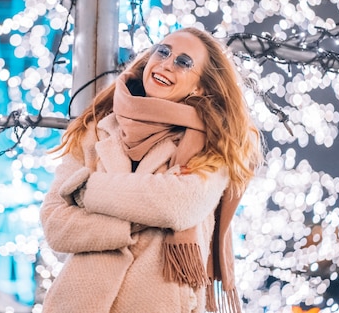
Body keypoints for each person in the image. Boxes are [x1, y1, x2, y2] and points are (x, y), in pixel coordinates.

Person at [39, 27, 263, 313]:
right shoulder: (95, 129)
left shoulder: (213, 146)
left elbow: (176, 206)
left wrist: (85, 189)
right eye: (164, 51)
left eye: (183, 62)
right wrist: (140, 222)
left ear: (200, 87)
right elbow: (56, 225)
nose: (167, 63)